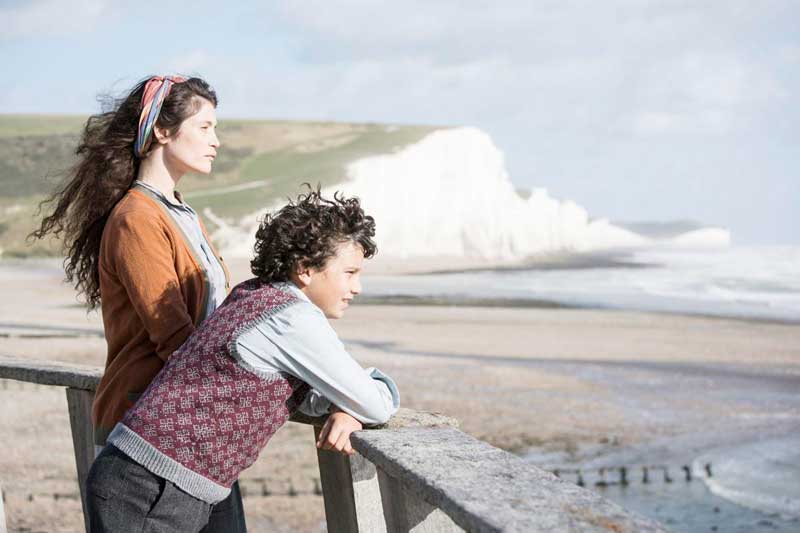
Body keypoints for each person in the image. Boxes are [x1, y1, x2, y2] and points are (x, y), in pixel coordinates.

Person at [85, 189, 400, 532]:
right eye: (350, 272)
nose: (358, 287)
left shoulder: (254, 293)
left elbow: (298, 392)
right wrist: (369, 392)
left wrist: (344, 407)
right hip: (151, 487)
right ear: (306, 269)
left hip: (154, 479)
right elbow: (375, 404)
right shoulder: (292, 318)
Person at [30, 75, 245, 530]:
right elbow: (174, 335)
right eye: (205, 127)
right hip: (146, 437)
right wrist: (244, 396)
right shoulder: (137, 218)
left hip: (191, 430)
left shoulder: (179, 212)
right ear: (163, 132)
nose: (217, 141)